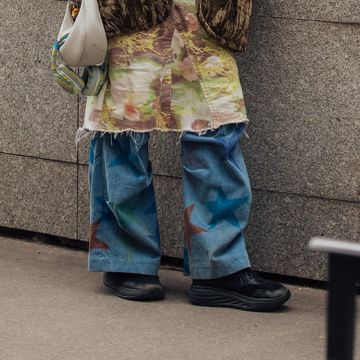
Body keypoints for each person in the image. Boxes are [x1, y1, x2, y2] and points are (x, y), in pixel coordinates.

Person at [74, 0, 291, 311]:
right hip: (130, 13)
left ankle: (219, 268)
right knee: (122, 129)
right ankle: (125, 259)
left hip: (207, 14)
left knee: (217, 126)